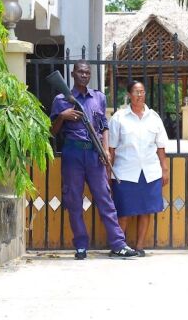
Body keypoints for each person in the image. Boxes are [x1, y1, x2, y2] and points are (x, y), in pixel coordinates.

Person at [50, 60, 138, 259]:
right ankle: (81, 246)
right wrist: (62, 117)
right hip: (73, 153)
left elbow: (103, 126)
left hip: (94, 153)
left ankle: (118, 244)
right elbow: (52, 132)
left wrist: (106, 150)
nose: (84, 75)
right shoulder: (61, 99)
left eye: (87, 73)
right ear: (73, 74)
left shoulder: (98, 97)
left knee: (105, 199)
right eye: (80, 72)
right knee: (74, 201)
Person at [108, 81, 169, 257]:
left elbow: (161, 146)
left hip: (150, 172)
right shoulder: (119, 118)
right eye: (136, 92)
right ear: (129, 95)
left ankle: (140, 246)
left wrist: (164, 169)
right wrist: (108, 173)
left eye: (142, 91)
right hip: (125, 172)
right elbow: (111, 148)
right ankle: (119, 246)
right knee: (123, 210)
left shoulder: (154, 117)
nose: (139, 95)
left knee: (146, 210)